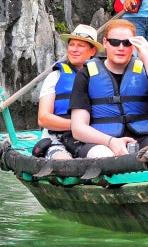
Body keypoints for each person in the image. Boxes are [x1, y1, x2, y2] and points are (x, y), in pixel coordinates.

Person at [68, 19, 148, 158]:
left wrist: (147, 59)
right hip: (102, 141)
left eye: (127, 43)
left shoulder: (146, 70)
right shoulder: (85, 74)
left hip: (143, 137)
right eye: (115, 42)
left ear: (134, 46)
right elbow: (78, 128)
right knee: (103, 155)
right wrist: (111, 142)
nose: (121, 47)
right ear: (105, 42)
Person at [35, 24, 103, 159]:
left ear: (92, 51)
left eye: (81, 46)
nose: (74, 50)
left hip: (92, 139)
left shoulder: (103, 79)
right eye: (72, 45)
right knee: (63, 160)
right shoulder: (55, 77)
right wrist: (79, 127)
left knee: (102, 155)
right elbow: (43, 119)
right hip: (57, 140)